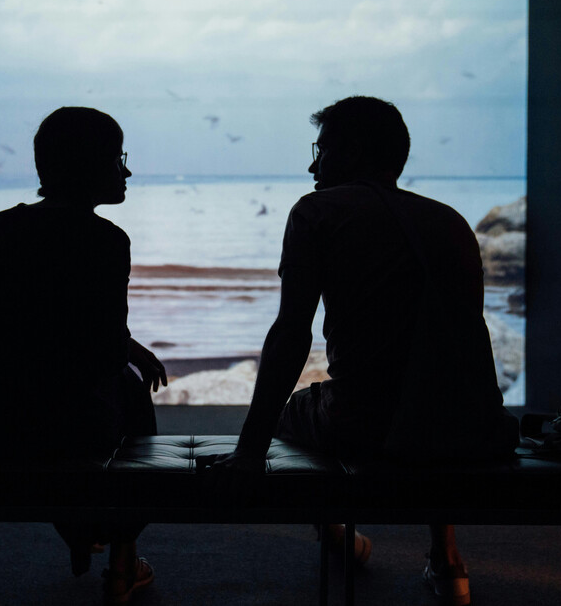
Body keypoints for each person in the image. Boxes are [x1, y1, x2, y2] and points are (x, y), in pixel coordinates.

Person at [198, 96, 518, 606]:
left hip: (368, 426)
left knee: (294, 412)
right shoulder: (450, 221)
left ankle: (336, 535)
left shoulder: (317, 212)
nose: (311, 165)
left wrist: (248, 451)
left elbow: (291, 334)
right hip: (473, 426)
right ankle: (447, 557)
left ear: (352, 151)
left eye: (320, 150)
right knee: (427, 386)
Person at [0, 106, 167, 604]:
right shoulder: (107, 240)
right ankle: (123, 557)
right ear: (91, 165)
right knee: (126, 395)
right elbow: (104, 350)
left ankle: (81, 527)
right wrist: (124, 352)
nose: (126, 171)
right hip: (66, 431)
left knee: (59, 401)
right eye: (117, 158)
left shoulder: (1, 227)